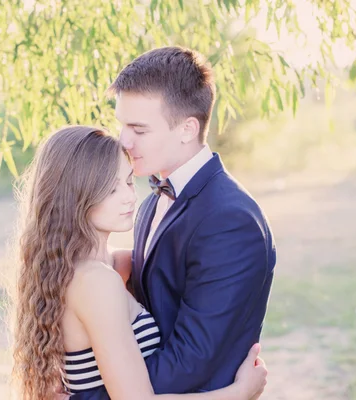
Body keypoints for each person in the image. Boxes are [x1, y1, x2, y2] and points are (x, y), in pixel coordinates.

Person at [70, 46, 277, 399]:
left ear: (186, 129)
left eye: (139, 128)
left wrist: (88, 393)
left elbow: (190, 362)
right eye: (122, 124)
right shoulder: (152, 202)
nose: (124, 139)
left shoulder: (230, 220)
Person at [8, 126, 268, 400]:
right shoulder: (96, 282)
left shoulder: (91, 267)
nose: (130, 197)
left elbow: (155, 262)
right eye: (110, 189)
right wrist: (239, 393)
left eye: (130, 181)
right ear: (74, 198)